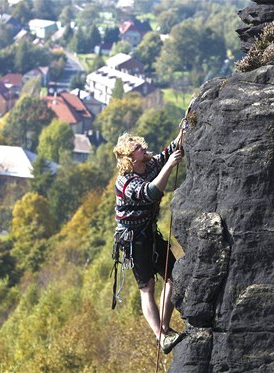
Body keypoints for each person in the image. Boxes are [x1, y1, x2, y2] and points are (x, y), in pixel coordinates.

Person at [112, 129, 184, 354]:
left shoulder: (150, 165)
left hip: (149, 233)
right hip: (133, 240)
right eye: (137, 148)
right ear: (129, 158)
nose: (142, 148)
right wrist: (169, 166)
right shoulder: (125, 182)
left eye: (140, 146)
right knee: (147, 288)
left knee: (175, 275)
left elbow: (171, 149)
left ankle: (164, 328)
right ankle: (160, 336)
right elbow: (150, 192)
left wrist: (186, 125)